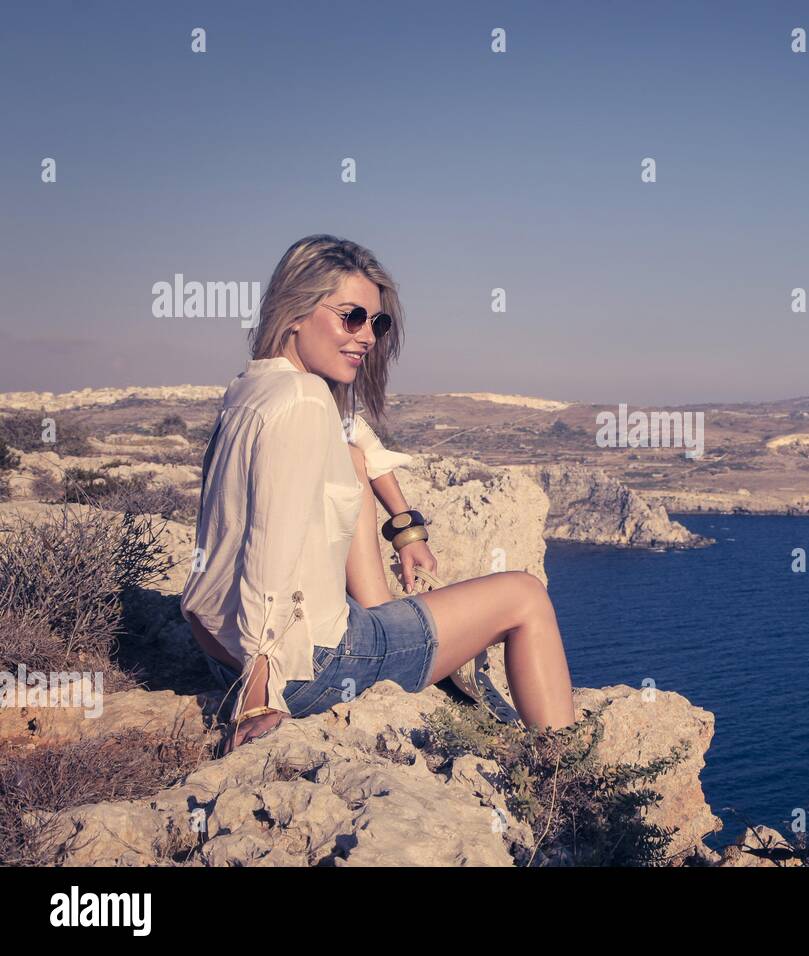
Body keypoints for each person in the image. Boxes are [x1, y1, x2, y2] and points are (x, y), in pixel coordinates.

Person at [180, 234, 576, 753]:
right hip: (301, 669)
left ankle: (388, 617)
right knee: (525, 595)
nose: (368, 336)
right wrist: (258, 698)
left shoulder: (253, 387)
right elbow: (267, 555)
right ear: (295, 310)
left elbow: (356, 443)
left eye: (377, 322)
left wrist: (405, 529)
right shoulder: (304, 402)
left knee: (351, 463)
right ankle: (568, 775)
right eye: (352, 317)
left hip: (219, 648)